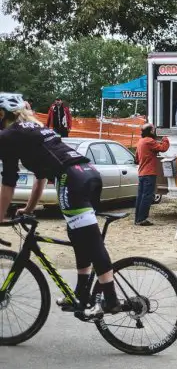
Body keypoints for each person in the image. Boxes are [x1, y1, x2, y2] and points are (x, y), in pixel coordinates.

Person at [0, 92, 123, 316]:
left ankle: (111, 299)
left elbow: (8, 182)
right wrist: (28, 209)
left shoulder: (9, 135)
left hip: (71, 179)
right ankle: (81, 294)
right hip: (88, 174)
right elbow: (39, 179)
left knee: (91, 241)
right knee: (78, 235)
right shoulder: (34, 130)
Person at [134, 123, 170, 226]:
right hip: (149, 173)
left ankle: (137, 219)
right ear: (150, 131)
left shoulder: (140, 142)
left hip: (141, 173)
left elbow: (136, 159)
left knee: (140, 196)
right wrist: (165, 137)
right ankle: (142, 219)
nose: (154, 131)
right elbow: (163, 148)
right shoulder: (149, 141)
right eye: (153, 130)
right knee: (147, 197)